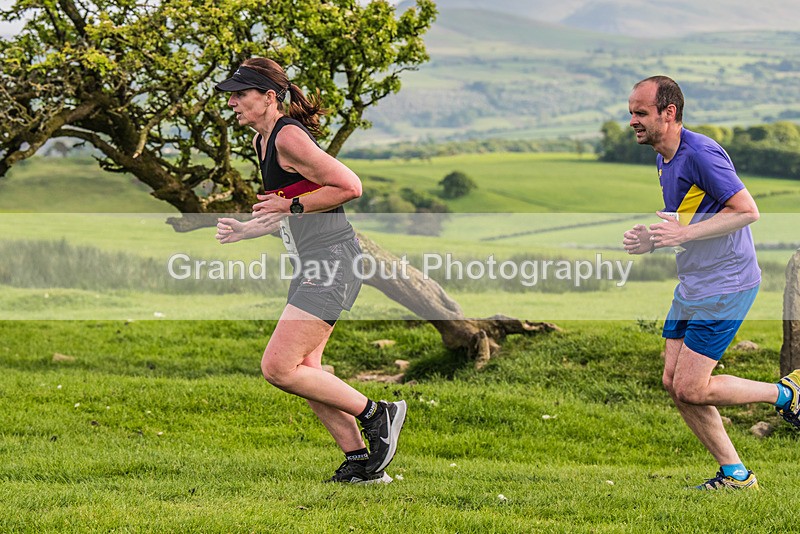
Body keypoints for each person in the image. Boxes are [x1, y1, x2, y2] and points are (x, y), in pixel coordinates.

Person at [213, 57, 406, 484]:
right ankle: (362, 464)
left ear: (268, 97)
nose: (232, 103)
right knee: (307, 372)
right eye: (231, 95)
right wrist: (249, 228)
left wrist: (292, 206)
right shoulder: (263, 141)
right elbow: (286, 204)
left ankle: (380, 413)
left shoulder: (289, 138)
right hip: (311, 262)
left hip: (333, 261)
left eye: (240, 95)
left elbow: (349, 186)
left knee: (279, 367)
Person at [623, 75, 800, 490]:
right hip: (694, 284)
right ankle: (736, 474)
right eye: (631, 112)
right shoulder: (664, 155)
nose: (632, 120)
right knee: (674, 383)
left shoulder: (701, 152)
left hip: (727, 284)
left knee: (692, 387)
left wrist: (681, 235)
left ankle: (787, 395)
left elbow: (747, 211)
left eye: (641, 112)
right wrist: (656, 239)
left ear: (669, 113)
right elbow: (693, 217)